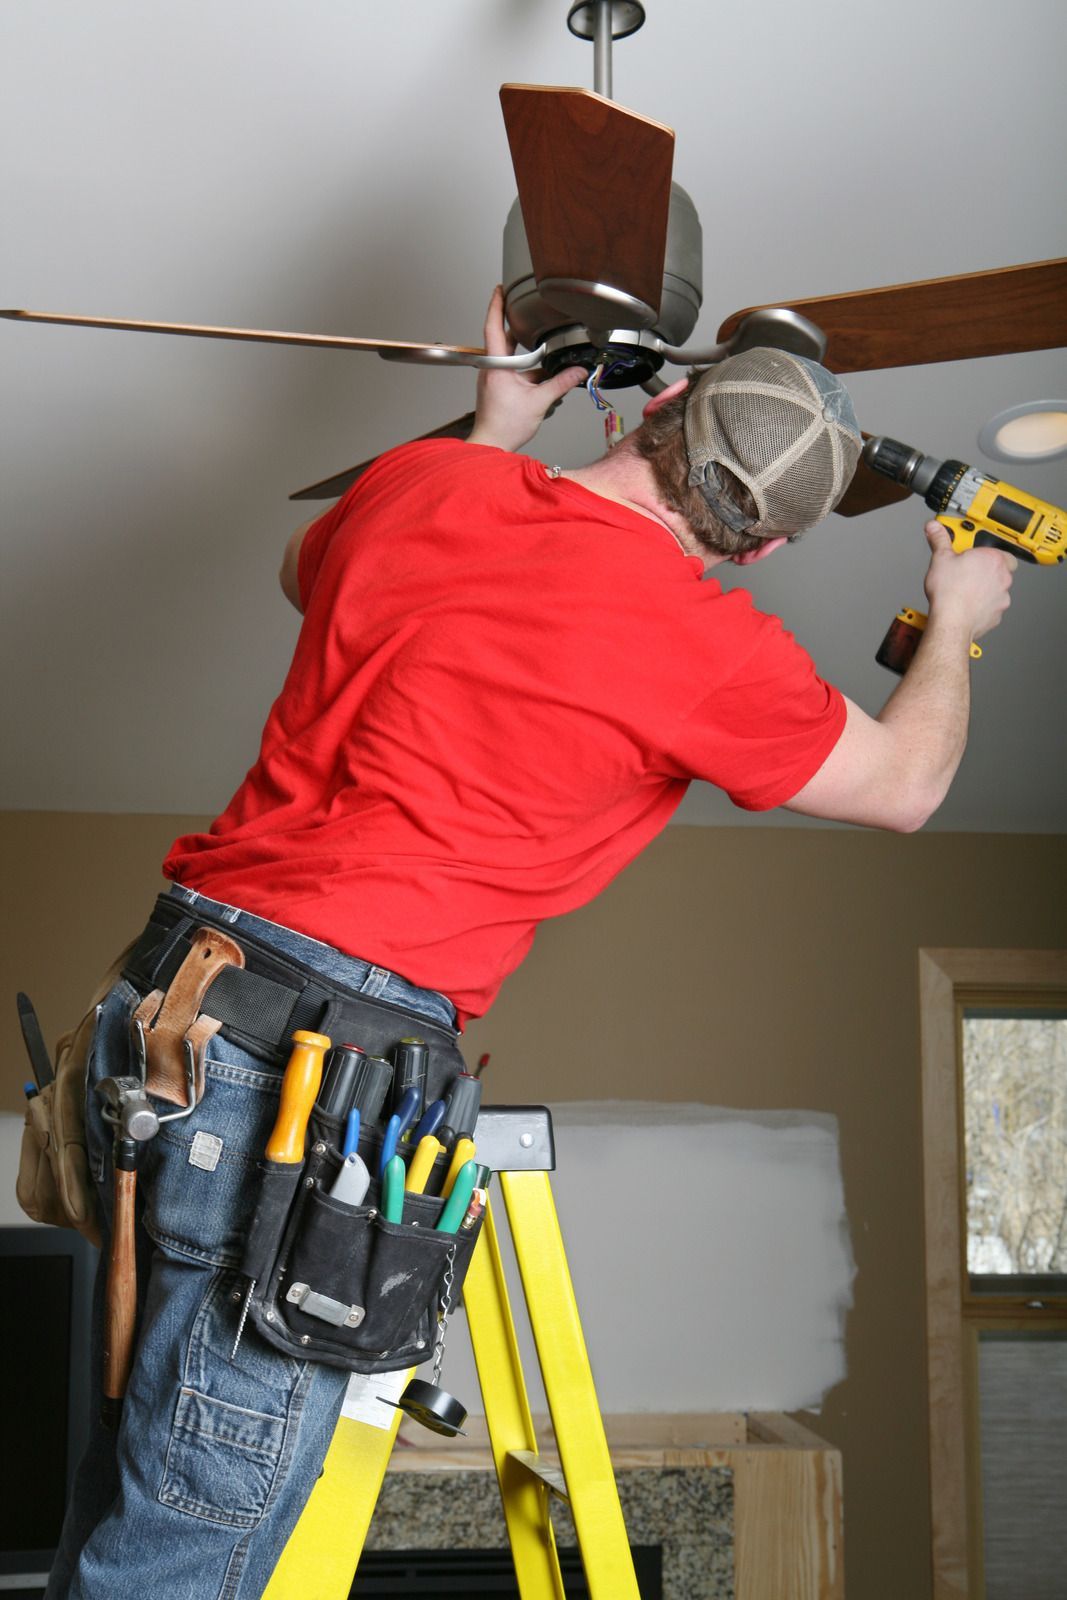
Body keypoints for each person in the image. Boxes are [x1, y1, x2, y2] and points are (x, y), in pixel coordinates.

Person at [46, 288, 1015, 1598]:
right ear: (769, 545)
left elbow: (300, 569)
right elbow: (906, 784)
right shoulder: (712, 651)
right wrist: (955, 620)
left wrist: (497, 423)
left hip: (171, 999)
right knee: (191, 1547)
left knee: (133, 1498)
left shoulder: (425, 485)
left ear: (661, 406)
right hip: (310, 1065)